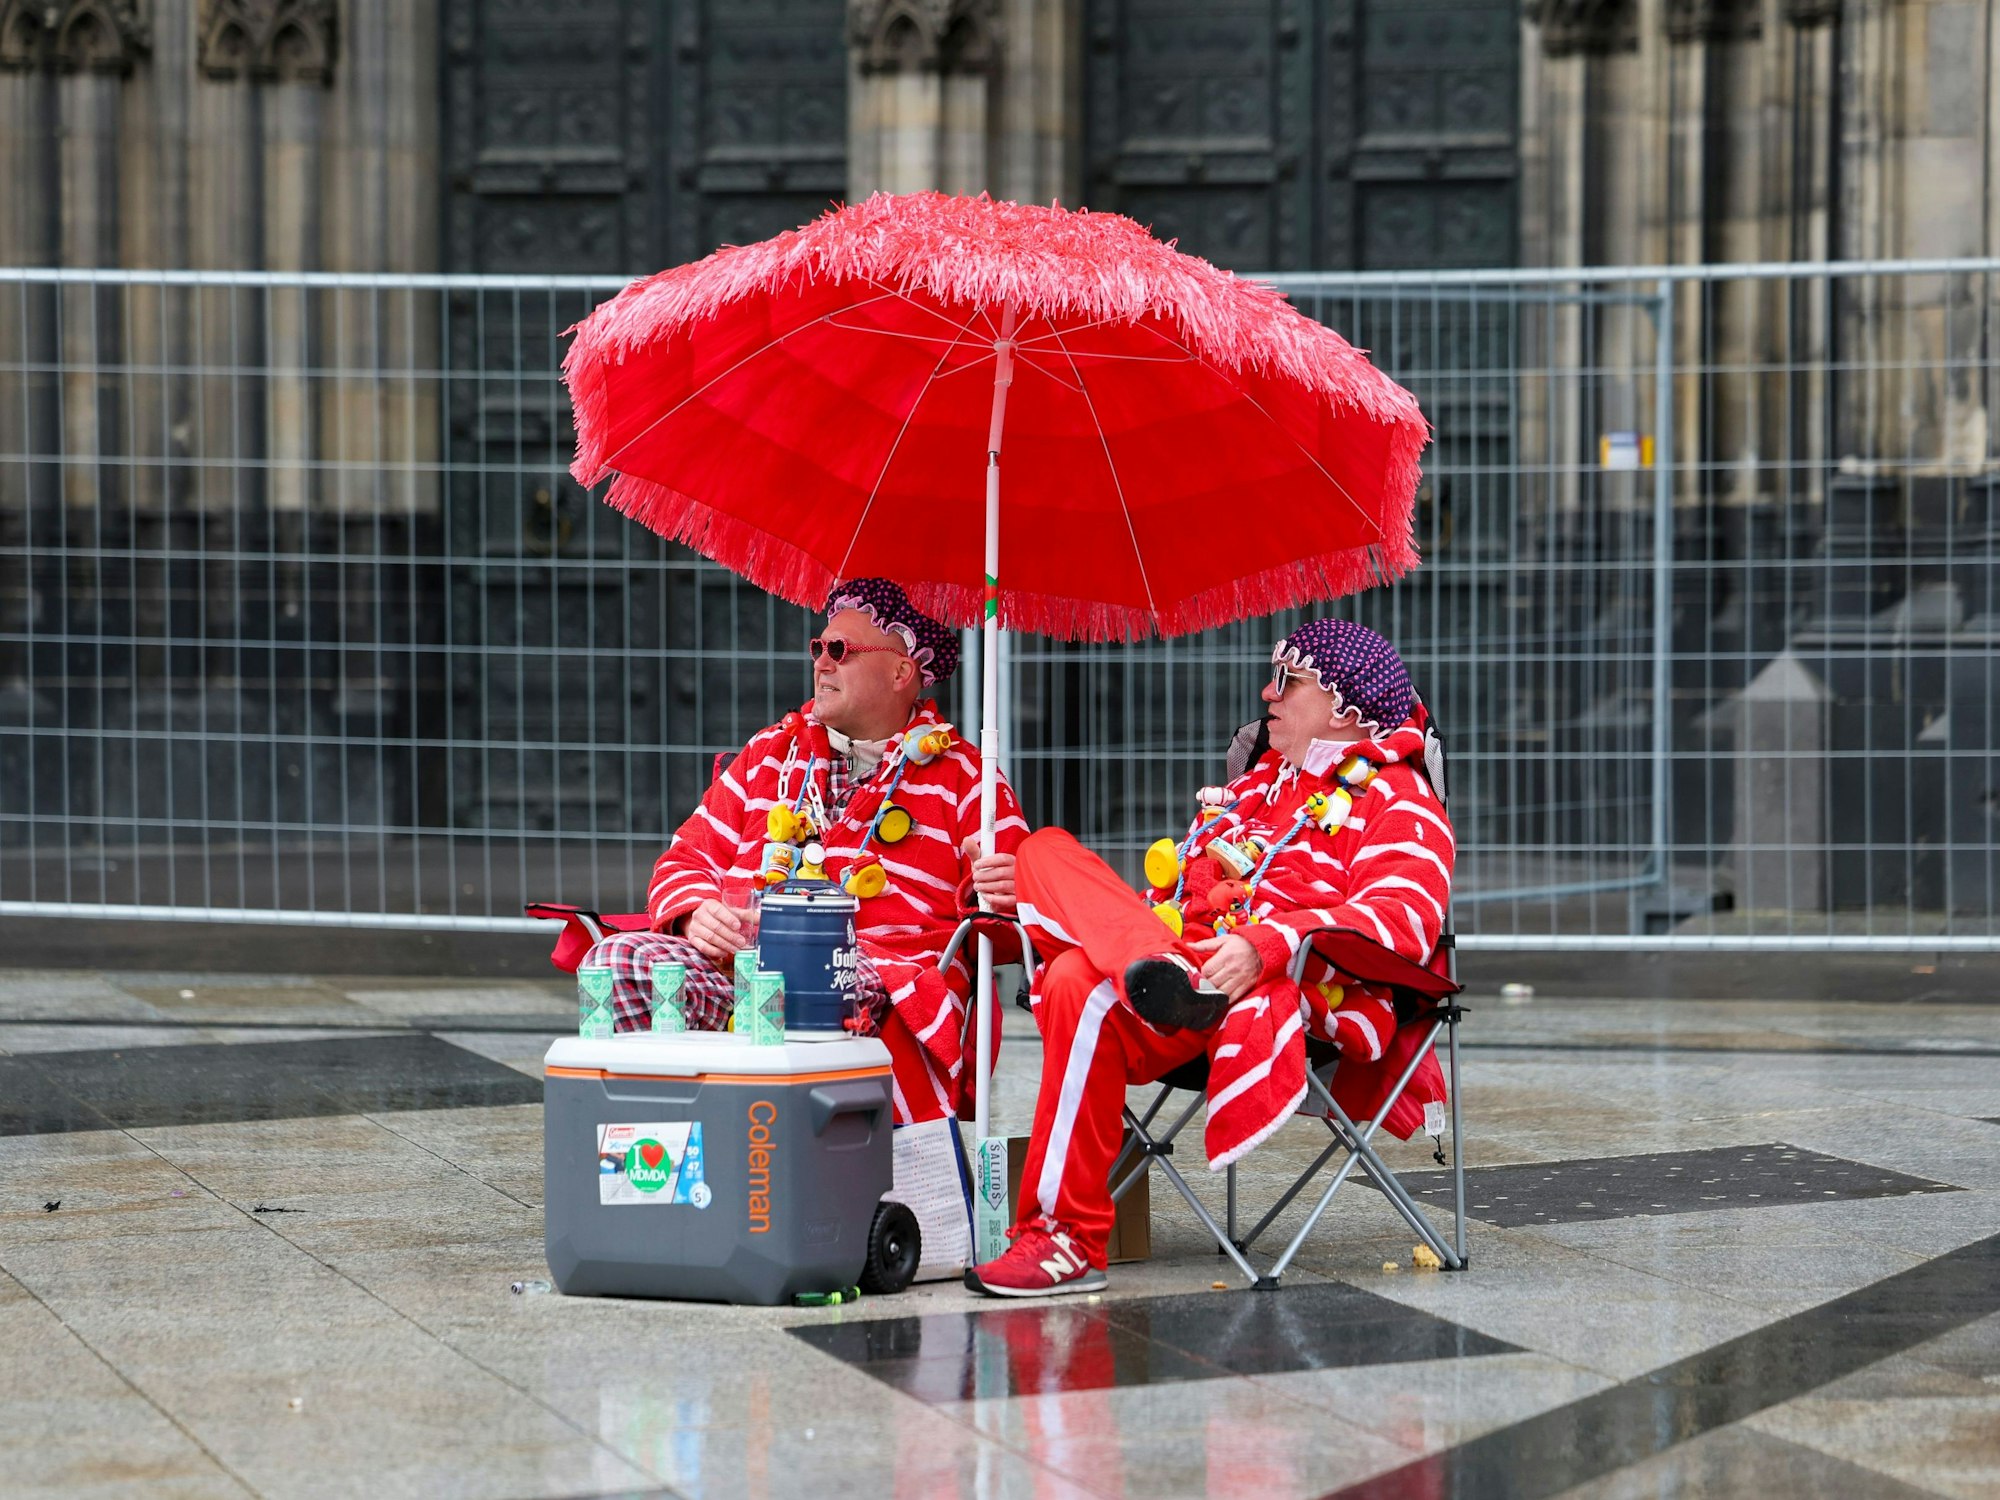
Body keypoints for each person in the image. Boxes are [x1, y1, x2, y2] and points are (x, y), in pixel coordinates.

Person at [965, 618, 1454, 1296]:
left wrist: (1267, 944)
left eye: (1289, 681)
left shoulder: (1398, 802)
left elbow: (1401, 920)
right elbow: (1169, 892)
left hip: (1259, 995)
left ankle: (1064, 1238)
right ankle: (1143, 971)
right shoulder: (1257, 788)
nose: (1267, 693)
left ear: (1344, 705)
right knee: (1042, 857)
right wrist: (1033, 895)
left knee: (1076, 967)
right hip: (1176, 972)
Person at [580, 578, 1026, 1125]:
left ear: (901, 670)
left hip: (870, 979)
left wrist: (1003, 891)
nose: (821, 662)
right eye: (818, 648)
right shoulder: (769, 751)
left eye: (840, 650)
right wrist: (696, 913)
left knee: (813, 981)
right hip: (738, 973)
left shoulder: (967, 778)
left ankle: (771, 1148)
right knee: (614, 962)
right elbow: (684, 859)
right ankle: (668, 1163)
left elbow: (1017, 928)